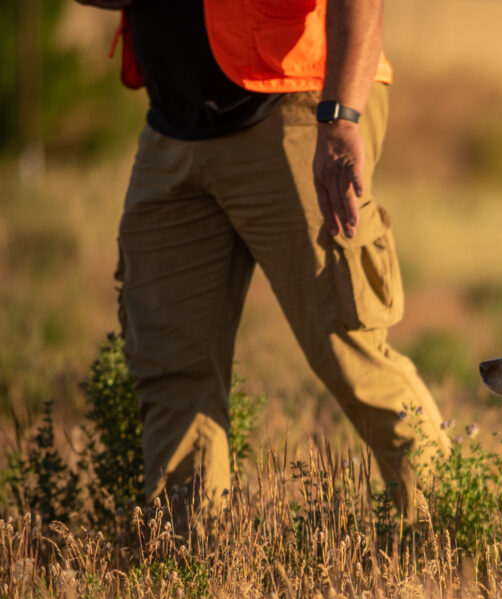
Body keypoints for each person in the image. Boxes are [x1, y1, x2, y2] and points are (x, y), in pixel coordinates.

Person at [75, 0, 450, 523]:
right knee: (170, 367)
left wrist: (340, 117)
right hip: (171, 124)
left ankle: (447, 533)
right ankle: (191, 566)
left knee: (347, 345)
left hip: (298, 105)